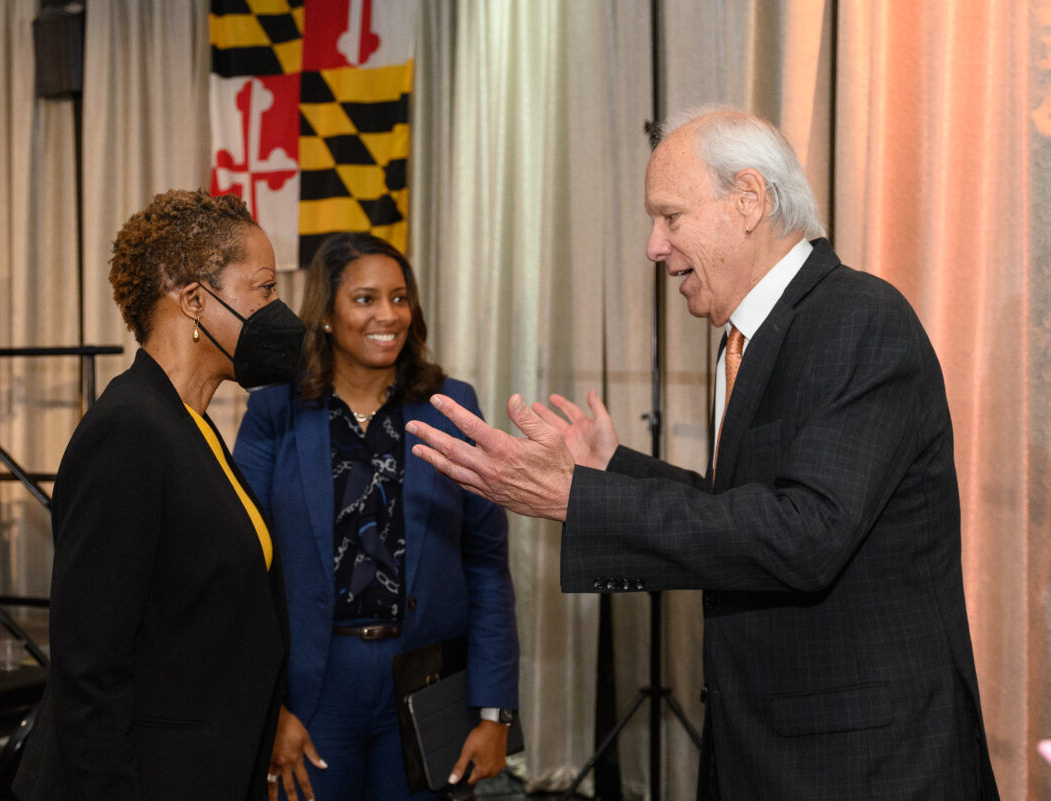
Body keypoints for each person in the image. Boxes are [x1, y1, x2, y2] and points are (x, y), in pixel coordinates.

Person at [405, 107, 999, 800]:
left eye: (670, 216)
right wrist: (611, 468)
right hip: (766, 749)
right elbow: (743, 511)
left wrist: (579, 497)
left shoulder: (859, 319)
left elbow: (806, 534)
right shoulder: (747, 337)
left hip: (865, 763)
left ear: (748, 201)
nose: (654, 246)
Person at [13, 189, 306, 801]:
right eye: (264, 288)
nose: (278, 310)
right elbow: (89, 666)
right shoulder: (128, 431)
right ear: (196, 300)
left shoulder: (191, 425)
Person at [232, 232, 519, 801]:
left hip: (424, 684)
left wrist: (495, 712)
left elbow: (487, 566)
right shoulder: (275, 409)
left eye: (399, 297)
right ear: (327, 316)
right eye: (365, 299)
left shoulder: (451, 408)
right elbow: (243, 568)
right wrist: (266, 710)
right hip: (313, 686)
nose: (388, 314)